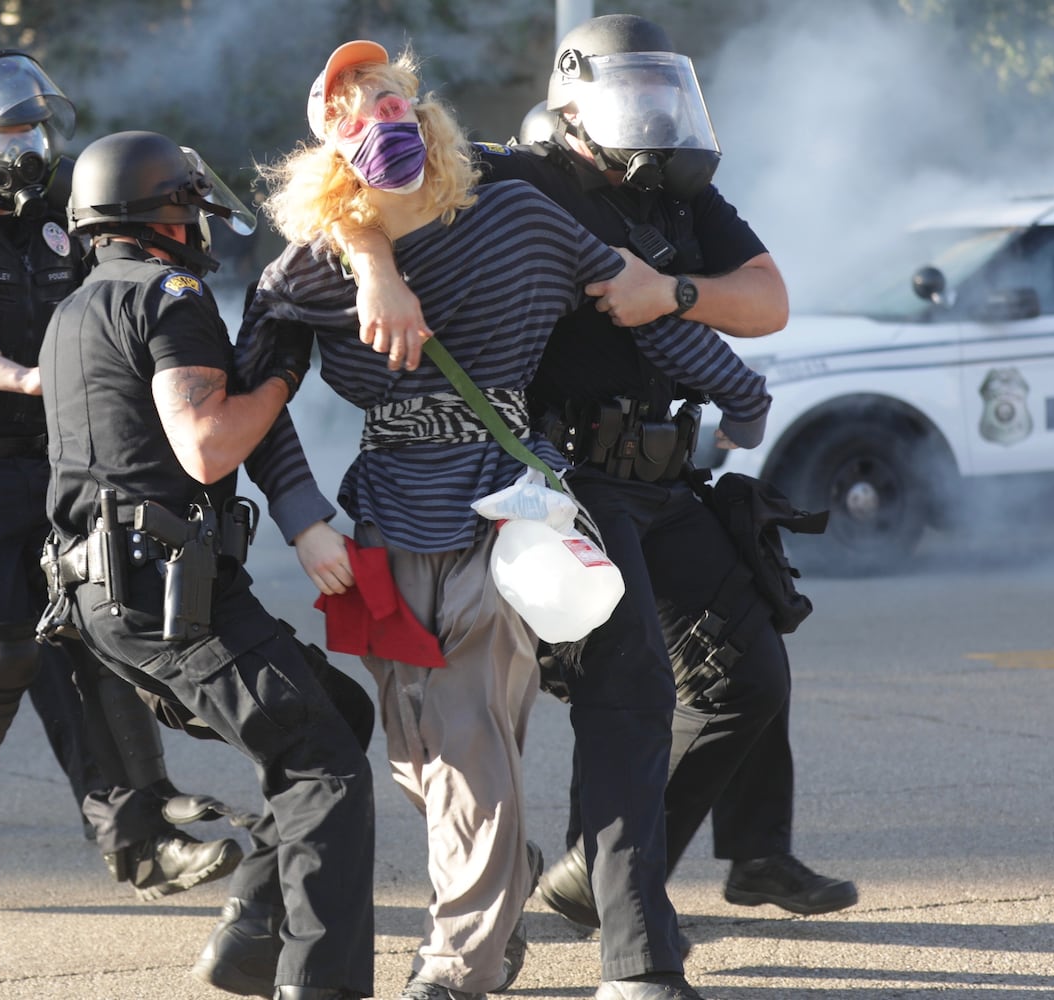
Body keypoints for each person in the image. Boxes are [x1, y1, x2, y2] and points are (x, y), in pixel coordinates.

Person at [239, 41, 771, 1000]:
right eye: (355, 105)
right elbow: (260, 397)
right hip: (381, 523)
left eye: (393, 95)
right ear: (325, 135)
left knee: (473, 745)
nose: (381, 117)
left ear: (426, 112)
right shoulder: (305, 273)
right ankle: (501, 878)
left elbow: (635, 308)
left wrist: (743, 397)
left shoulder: (519, 213)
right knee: (421, 753)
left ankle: (461, 965)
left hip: (504, 513)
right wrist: (302, 514)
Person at [344, 11, 858, 966]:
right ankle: (638, 957)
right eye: (637, 94)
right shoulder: (522, 175)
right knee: (631, 696)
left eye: (668, 92)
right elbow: (366, 197)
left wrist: (675, 294)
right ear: (574, 99)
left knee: (751, 678)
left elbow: (768, 299)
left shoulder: (677, 196)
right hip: (569, 482)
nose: (658, 113)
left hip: (669, 477)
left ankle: (600, 868)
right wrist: (376, 270)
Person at [0, 50, 239, 905]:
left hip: (51, 465)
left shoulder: (58, 219)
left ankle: (141, 840)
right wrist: (19, 378)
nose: (28, 143)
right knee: (2, 649)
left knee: (96, 639)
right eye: (9, 128)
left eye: (36, 125)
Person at [38, 129, 376, 1000]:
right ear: (170, 212)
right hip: (167, 595)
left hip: (105, 597)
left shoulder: (76, 306)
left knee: (333, 711)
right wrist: (282, 377)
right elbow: (208, 444)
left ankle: (251, 941)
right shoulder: (171, 292)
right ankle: (319, 983)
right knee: (322, 770)